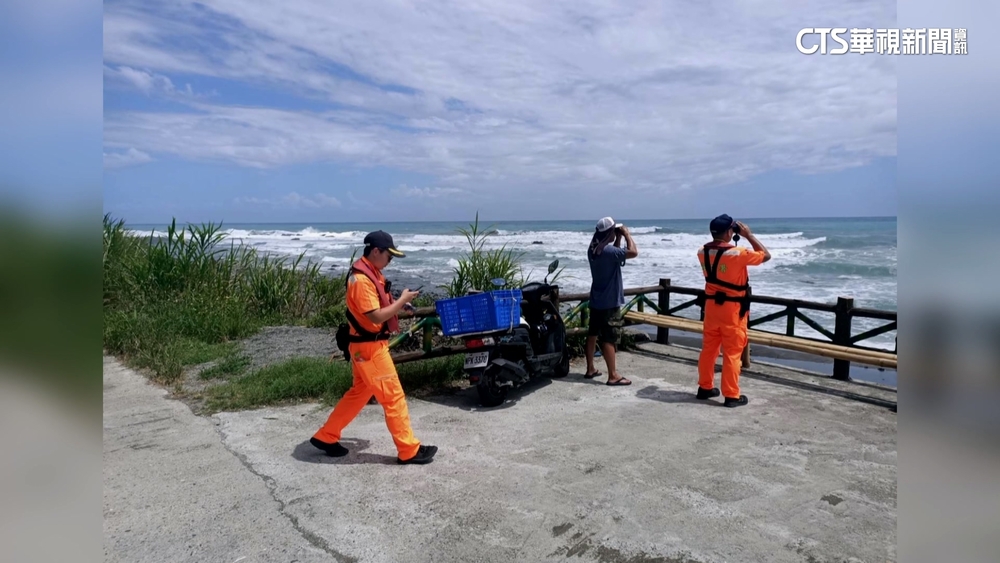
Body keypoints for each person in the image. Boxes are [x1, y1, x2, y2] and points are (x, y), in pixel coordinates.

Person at [310, 230, 438, 464]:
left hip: (365, 348)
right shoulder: (360, 280)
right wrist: (401, 301)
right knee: (394, 397)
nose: (390, 261)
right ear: (376, 251)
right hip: (370, 349)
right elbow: (377, 316)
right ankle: (408, 450)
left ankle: (326, 436)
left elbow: (381, 304)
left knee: (360, 392)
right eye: (389, 256)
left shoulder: (371, 273)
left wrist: (402, 304)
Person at [696, 214, 770, 407]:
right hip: (732, 311)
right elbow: (766, 255)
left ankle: (705, 388)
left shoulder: (702, 251)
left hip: (711, 309)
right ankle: (731, 395)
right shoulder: (738, 253)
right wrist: (749, 235)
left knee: (709, 350)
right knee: (732, 353)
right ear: (730, 232)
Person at [584, 216, 638, 386]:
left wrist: (618, 237)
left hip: (596, 300)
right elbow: (633, 252)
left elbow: (613, 255)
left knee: (592, 335)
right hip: (609, 301)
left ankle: (590, 368)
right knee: (609, 338)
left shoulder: (593, 249)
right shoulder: (607, 252)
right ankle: (613, 375)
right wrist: (627, 234)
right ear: (609, 232)